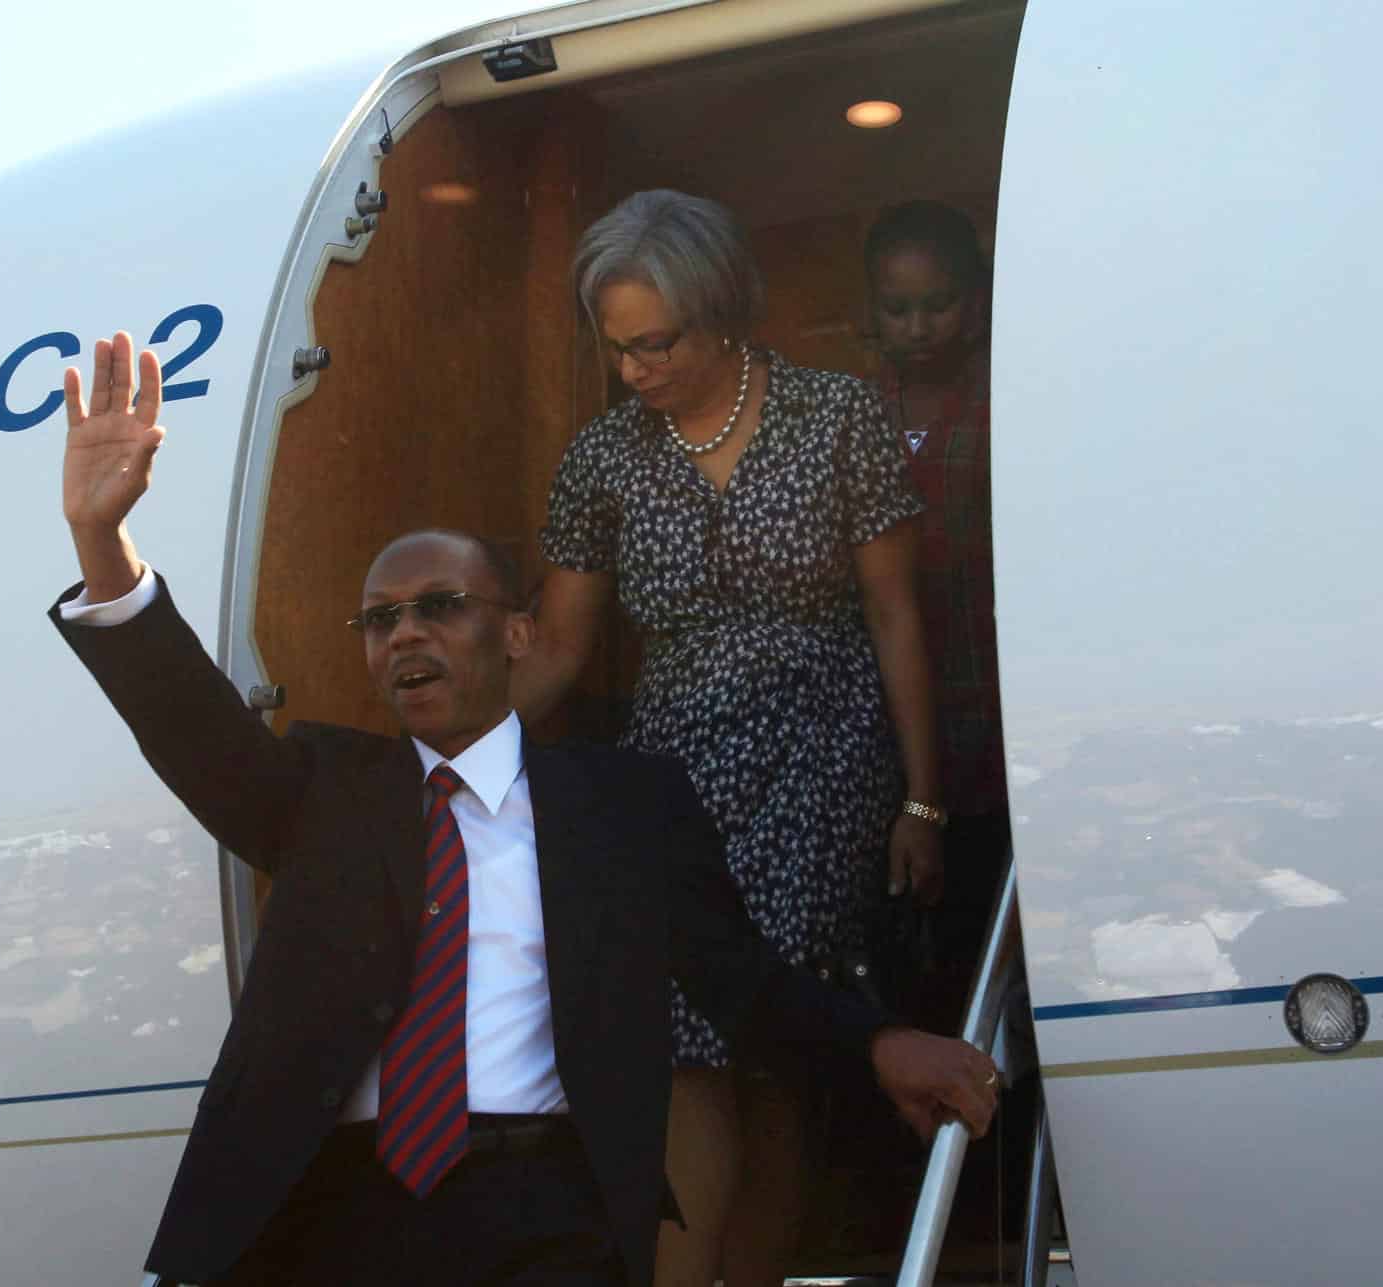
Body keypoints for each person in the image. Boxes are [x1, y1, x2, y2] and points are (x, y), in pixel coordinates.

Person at [51, 332, 996, 1287]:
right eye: (380, 618)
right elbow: (192, 726)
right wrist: (103, 544)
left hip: (545, 1205)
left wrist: (880, 1040)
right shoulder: (322, 794)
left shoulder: (626, 805)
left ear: (517, 632)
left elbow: (742, 984)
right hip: (334, 1212)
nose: (405, 631)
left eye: (439, 605)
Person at [514, 190, 946, 1286]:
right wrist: (432, 773)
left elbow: (897, 612)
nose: (634, 371)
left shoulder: (837, 414)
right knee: (682, 1046)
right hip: (671, 780)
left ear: (723, 312)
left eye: (654, 343)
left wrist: (923, 799)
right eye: (616, 349)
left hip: (822, 751)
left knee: (769, 1051)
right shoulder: (603, 459)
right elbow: (559, 652)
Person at [863, 200, 1009, 1021]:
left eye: (940, 303)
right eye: (897, 308)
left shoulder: (1009, 394)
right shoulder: (850, 412)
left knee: (988, 942)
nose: (918, 326)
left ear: (978, 300)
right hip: (884, 723)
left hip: (992, 707)